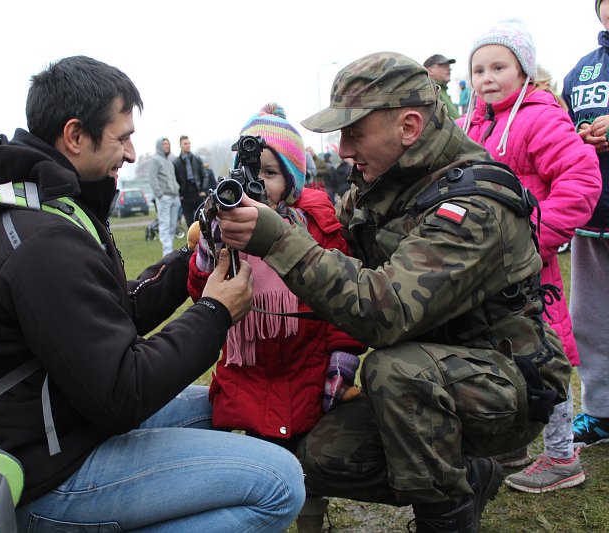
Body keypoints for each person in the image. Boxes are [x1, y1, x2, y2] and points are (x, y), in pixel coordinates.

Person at [216, 52, 571, 532]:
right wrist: (276, 214)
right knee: (318, 456)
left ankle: (445, 519)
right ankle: (466, 475)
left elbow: (385, 312)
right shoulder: (385, 185)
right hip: (434, 371)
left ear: (408, 126)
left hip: (507, 378)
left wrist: (278, 238)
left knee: (395, 370)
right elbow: (331, 236)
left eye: (354, 133)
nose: (342, 149)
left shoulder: (472, 205)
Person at [0, 55, 305, 531]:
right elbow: (123, 391)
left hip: (67, 428)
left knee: (226, 402)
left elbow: (110, 314)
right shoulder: (41, 241)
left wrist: (191, 255)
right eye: (122, 137)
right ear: (75, 136)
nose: (133, 153)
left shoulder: (44, 210)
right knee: (280, 484)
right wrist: (215, 312)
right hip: (51, 474)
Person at [187, 103, 366, 532]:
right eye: (249, 172)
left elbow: (341, 297)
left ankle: (311, 520)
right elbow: (201, 297)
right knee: (260, 461)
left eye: (270, 172)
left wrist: (343, 355)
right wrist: (208, 253)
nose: (259, 182)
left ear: (292, 178)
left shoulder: (317, 227)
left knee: (309, 462)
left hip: (306, 364)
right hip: (250, 369)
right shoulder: (227, 228)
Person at [459, 19, 601, 493]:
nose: (487, 77)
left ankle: (562, 456)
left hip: (529, 271)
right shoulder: (469, 124)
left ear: (523, 69)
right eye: (478, 69)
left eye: (499, 66)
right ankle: (510, 441)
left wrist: (534, 238)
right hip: (484, 270)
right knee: (497, 355)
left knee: (546, 356)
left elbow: (581, 179)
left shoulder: (541, 117)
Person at [562, 0, 609, 450]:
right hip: (595, 216)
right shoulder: (582, 71)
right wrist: (580, 133)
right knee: (590, 322)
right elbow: (562, 127)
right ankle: (601, 412)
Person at [147, 137, 181, 255]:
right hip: (164, 197)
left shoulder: (169, 160)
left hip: (174, 196)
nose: (167, 146)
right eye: (164, 144)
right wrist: (160, 195)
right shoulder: (155, 160)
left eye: (168, 144)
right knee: (164, 225)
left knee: (172, 225)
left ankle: (170, 250)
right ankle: (167, 253)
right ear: (159, 146)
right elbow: (152, 178)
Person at [172, 135, 206, 225]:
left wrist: (203, 190)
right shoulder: (176, 162)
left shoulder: (197, 159)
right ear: (180, 145)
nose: (188, 145)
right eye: (185, 143)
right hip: (185, 195)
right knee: (189, 222)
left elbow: (204, 175)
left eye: (189, 143)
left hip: (197, 192)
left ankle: (203, 239)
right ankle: (192, 238)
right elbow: (174, 179)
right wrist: (179, 194)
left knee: (202, 220)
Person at [424, 53, 461, 118]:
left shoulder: (441, 91)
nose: (449, 69)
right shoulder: (430, 91)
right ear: (430, 71)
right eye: (444, 66)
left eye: (449, 67)